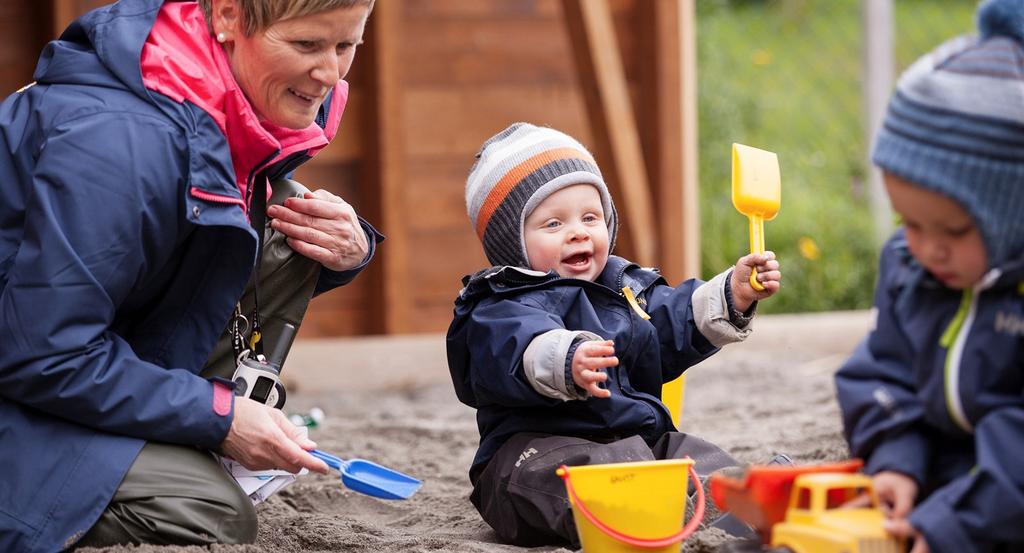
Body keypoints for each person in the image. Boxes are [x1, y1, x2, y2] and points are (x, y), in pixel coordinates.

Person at [0, 0, 382, 550]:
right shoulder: (118, 144)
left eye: (345, 46)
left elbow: (186, 262)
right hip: (29, 375)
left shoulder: (224, 102)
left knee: (288, 217)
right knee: (210, 513)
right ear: (228, 18)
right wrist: (220, 416)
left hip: (64, 352)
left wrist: (347, 251)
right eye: (306, 46)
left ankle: (157, 447)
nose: (330, 73)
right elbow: (45, 352)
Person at [445, 122, 783, 546]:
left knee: (689, 453)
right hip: (534, 452)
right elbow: (515, 348)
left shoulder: (623, 287)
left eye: (590, 217)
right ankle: (643, 520)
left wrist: (732, 293)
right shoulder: (498, 304)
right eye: (553, 224)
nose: (579, 231)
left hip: (635, 442)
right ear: (513, 243)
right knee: (578, 480)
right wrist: (566, 359)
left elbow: (671, 322)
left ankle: (737, 504)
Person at [835, 1, 1024, 551]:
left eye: (955, 229)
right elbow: (885, 371)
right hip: (956, 476)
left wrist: (956, 523)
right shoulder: (912, 264)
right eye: (908, 222)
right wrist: (898, 460)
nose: (926, 247)